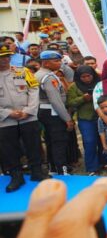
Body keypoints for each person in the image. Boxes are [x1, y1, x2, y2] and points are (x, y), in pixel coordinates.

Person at [0, 44, 47, 191]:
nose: (5, 59)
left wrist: (29, 110)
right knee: (9, 149)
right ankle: (16, 176)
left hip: (28, 116)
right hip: (5, 120)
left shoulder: (22, 71)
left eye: (7, 56)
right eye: (1, 57)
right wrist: (7, 113)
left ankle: (37, 172)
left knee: (33, 144)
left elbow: (33, 90)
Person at [35, 50, 74, 175]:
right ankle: (62, 170)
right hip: (52, 112)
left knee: (50, 141)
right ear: (46, 63)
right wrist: (67, 118)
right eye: (56, 61)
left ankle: (53, 168)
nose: (59, 63)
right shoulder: (48, 77)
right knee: (59, 141)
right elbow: (55, 100)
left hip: (43, 110)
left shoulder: (37, 74)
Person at [66, 65, 104, 176]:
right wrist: (82, 98)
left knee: (102, 140)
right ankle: (92, 167)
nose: (87, 79)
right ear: (78, 77)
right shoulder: (74, 87)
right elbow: (70, 102)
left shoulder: (99, 83)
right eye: (83, 77)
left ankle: (104, 162)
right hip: (85, 118)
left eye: (89, 76)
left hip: (101, 116)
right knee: (89, 142)